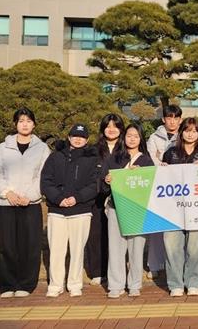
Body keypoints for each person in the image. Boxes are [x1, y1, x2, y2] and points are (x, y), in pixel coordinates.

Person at [0, 107, 50, 298]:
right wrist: (7, 193)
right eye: (21, 121)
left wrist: (29, 196)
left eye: (28, 121)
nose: (25, 124)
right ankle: (7, 284)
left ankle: (26, 283)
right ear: (15, 124)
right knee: (7, 246)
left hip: (30, 204)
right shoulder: (3, 148)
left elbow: (44, 176)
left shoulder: (42, 149)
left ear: (34, 124)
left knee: (30, 245)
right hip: (7, 204)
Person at [40, 123, 100, 298]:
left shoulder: (92, 158)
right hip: (57, 210)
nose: (78, 139)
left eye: (82, 137)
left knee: (77, 250)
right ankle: (55, 284)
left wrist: (77, 198)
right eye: (75, 136)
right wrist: (58, 198)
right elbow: (46, 181)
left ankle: (74, 284)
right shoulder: (55, 157)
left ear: (87, 140)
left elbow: (94, 185)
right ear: (69, 137)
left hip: (81, 210)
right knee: (56, 250)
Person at [161, 117, 198, 296]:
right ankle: (175, 283)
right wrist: (163, 169)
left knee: (197, 245)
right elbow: (163, 179)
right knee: (172, 244)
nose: (190, 134)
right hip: (173, 207)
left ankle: (194, 282)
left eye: (194, 131)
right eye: (187, 130)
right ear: (181, 132)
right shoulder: (171, 153)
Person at [103, 123, 154, 298]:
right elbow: (102, 184)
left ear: (141, 139)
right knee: (115, 247)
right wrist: (107, 180)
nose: (132, 139)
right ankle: (115, 285)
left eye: (136, 136)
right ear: (124, 137)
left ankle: (134, 284)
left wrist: (141, 174)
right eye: (129, 135)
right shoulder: (114, 158)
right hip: (116, 208)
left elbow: (152, 186)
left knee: (136, 248)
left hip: (137, 210)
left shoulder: (146, 161)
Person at [85, 114, 124, 287]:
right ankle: (97, 271)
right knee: (96, 234)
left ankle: (117, 271)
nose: (111, 129)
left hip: (121, 199)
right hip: (97, 198)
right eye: (108, 126)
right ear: (102, 129)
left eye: (115, 126)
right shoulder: (93, 150)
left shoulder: (126, 149)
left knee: (118, 237)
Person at [146, 105, 182, 280]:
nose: (172, 121)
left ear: (180, 120)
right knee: (157, 227)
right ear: (163, 119)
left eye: (176, 118)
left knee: (177, 228)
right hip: (159, 186)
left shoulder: (184, 135)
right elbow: (151, 158)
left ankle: (175, 264)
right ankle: (154, 264)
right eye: (169, 118)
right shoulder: (154, 137)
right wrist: (160, 162)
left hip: (179, 187)